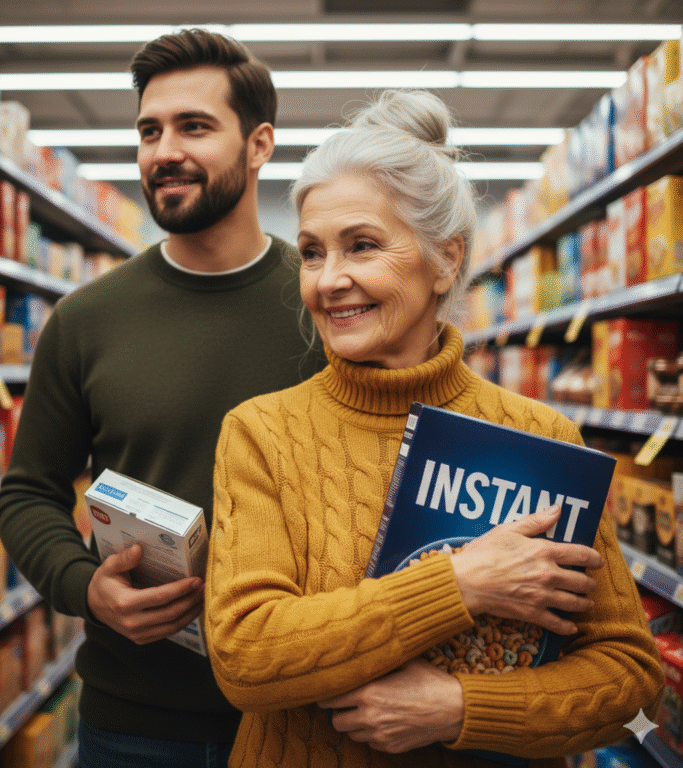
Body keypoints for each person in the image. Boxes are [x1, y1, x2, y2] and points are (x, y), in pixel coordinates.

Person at [204, 88, 664, 768]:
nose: (330, 280)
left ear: (445, 259)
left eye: (362, 246)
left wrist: (458, 709)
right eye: (311, 252)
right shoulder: (263, 433)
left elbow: (627, 677)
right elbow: (246, 655)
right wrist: (463, 584)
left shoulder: (544, 438)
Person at [0, 28, 322, 768]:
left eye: (194, 126)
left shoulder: (324, 303)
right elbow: (27, 493)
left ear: (260, 144)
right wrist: (85, 587)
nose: (163, 150)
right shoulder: (86, 318)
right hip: (133, 723)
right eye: (149, 129)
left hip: (304, 711)